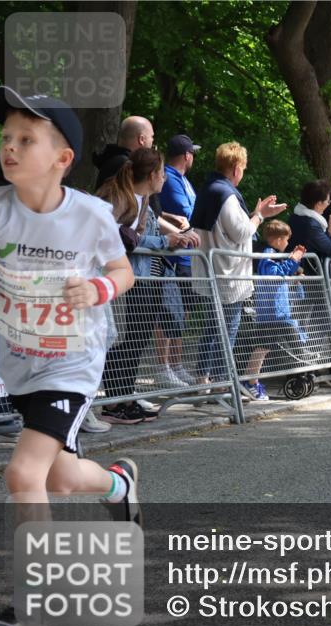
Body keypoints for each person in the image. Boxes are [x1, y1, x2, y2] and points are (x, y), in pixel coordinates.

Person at [0, 87, 139, 626]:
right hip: (20, 364)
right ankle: (119, 483)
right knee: (60, 478)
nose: (10, 149)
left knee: (23, 475)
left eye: (26, 139)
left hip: (73, 363)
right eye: (6, 139)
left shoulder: (90, 215)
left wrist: (97, 287)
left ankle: (34, 611)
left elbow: (124, 273)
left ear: (63, 158)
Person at [97, 148, 195, 423]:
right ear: (152, 175)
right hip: (127, 278)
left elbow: (137, 237)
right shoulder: (123, 199)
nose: (165, 179)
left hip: (145, 276)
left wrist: (175, 238)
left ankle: (123, 397)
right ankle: (116, 400)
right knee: (127, 340)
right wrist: (167, 242)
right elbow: (122, 239)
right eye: (162, 174)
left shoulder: (144, 201)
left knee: (137, 340)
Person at [190, 142, 287, 386]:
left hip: (211, 271)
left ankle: (204, 380)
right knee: (225, 331)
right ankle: (222, 383)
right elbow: (242, 232)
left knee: (212, 329)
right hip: (228, 275)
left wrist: (256, 212)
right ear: (235, 169)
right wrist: (260, 215)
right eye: (243, 168)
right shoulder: (226, 195)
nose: (242, 173)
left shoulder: (208, 189)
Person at [153, 134, 202, 389]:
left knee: (182, 311)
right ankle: (164, 367)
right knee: (168, 312)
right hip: (174, 255)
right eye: (192, 153)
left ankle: (176, 364)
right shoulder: (170, 178)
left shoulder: (183, 179)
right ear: (186, 155)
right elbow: (189, 214)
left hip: (187, 255)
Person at [243, 220, 310, 401]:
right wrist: (293, 260)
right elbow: (274, 274)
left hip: (275, 312)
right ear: (279, 239)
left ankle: (251, 382)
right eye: (286, 240)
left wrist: (293, 265)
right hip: (272, 313)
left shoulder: (271, 254)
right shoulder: (267, 254)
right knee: (267, 347)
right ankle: (251, 382)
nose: (288, 244)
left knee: (263, 348)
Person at [286, 180, 331, 272]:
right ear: (318, 204)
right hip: (306, 277)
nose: (329, 204)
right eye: (328, 201)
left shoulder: (295, 217)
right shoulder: (311, 225)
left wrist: (329, 231)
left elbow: (317, 244)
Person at [93, 115, 155, 190]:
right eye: (151, 136)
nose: (152, 140)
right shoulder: (126, 165)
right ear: (141, 139)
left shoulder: (112, 159)